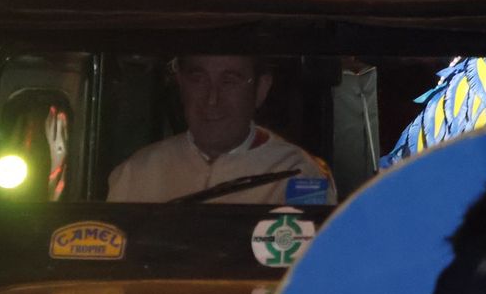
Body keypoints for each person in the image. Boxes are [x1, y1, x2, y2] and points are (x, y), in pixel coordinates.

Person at [107, 55, 334, 204]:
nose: (212, 100)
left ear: (261, 89)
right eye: (198, 79)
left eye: (229, 81)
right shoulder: (137, 172)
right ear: (181, 84)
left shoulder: (298, 173)